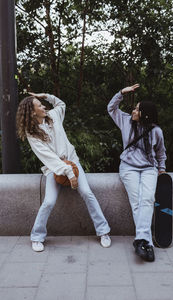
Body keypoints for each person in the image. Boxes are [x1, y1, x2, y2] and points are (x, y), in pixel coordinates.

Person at [16, 92, 111, 252]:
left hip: (72, 162)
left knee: (87, 193)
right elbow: (49, 158)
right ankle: (37, 237)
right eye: (39, 105)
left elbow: (61, 105)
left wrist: (45, 96)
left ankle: (104, 232)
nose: (43, 106)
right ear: (32, 112)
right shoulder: (32, 134)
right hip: (53, 169)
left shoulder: (53, 116)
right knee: (49, 202)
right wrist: (69, 173)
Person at [107, 84, 166, 262]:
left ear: (145, 114)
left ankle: (141, 241)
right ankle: (146, 242)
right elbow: (111, 108)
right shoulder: (125, 121)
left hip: (149, 168)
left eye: (137, 109)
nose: (133, 110)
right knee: (136, 203)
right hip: (128, 168)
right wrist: (121, 93)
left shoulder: (156, 131)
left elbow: (161, 153)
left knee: (147, 199)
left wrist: (162, 169)